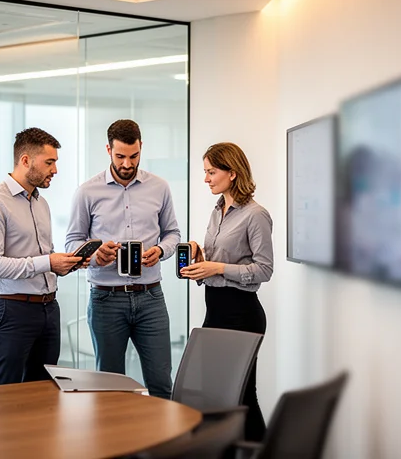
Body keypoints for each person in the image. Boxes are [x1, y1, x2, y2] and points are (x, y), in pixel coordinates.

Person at [65, 119, 181, 399]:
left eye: (134, 156)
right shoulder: (87, 191)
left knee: (161, 383)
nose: (128, 164)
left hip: (151, 297)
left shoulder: (160, 187)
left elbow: (173, 234)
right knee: (109, 388)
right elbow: (72, 243)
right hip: (106, 300)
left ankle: (163, 443)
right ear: (108, 150)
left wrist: (161, 251)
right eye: (120, 156)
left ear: (141, 148)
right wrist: (95, 255)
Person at [0, 127, 84, 386]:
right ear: (25, 160)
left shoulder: (40, 203)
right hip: (11, 311)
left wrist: (64, 264)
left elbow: (42, 256)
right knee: (5, 394)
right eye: (49, 162)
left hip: (48, 309)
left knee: (44, 392)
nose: (54, 170)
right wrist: (48, 262)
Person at [180, 142, 273, 442]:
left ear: (232, 173)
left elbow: (264, 270)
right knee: (215, 394)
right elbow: (217, 261)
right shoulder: (217, 210)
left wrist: (217, 268)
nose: (206, 178)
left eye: (211, 172)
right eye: (205, 172)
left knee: (243, 395)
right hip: (216, 310)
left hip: (242, 313)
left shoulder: (256, 215)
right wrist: (200, 259)